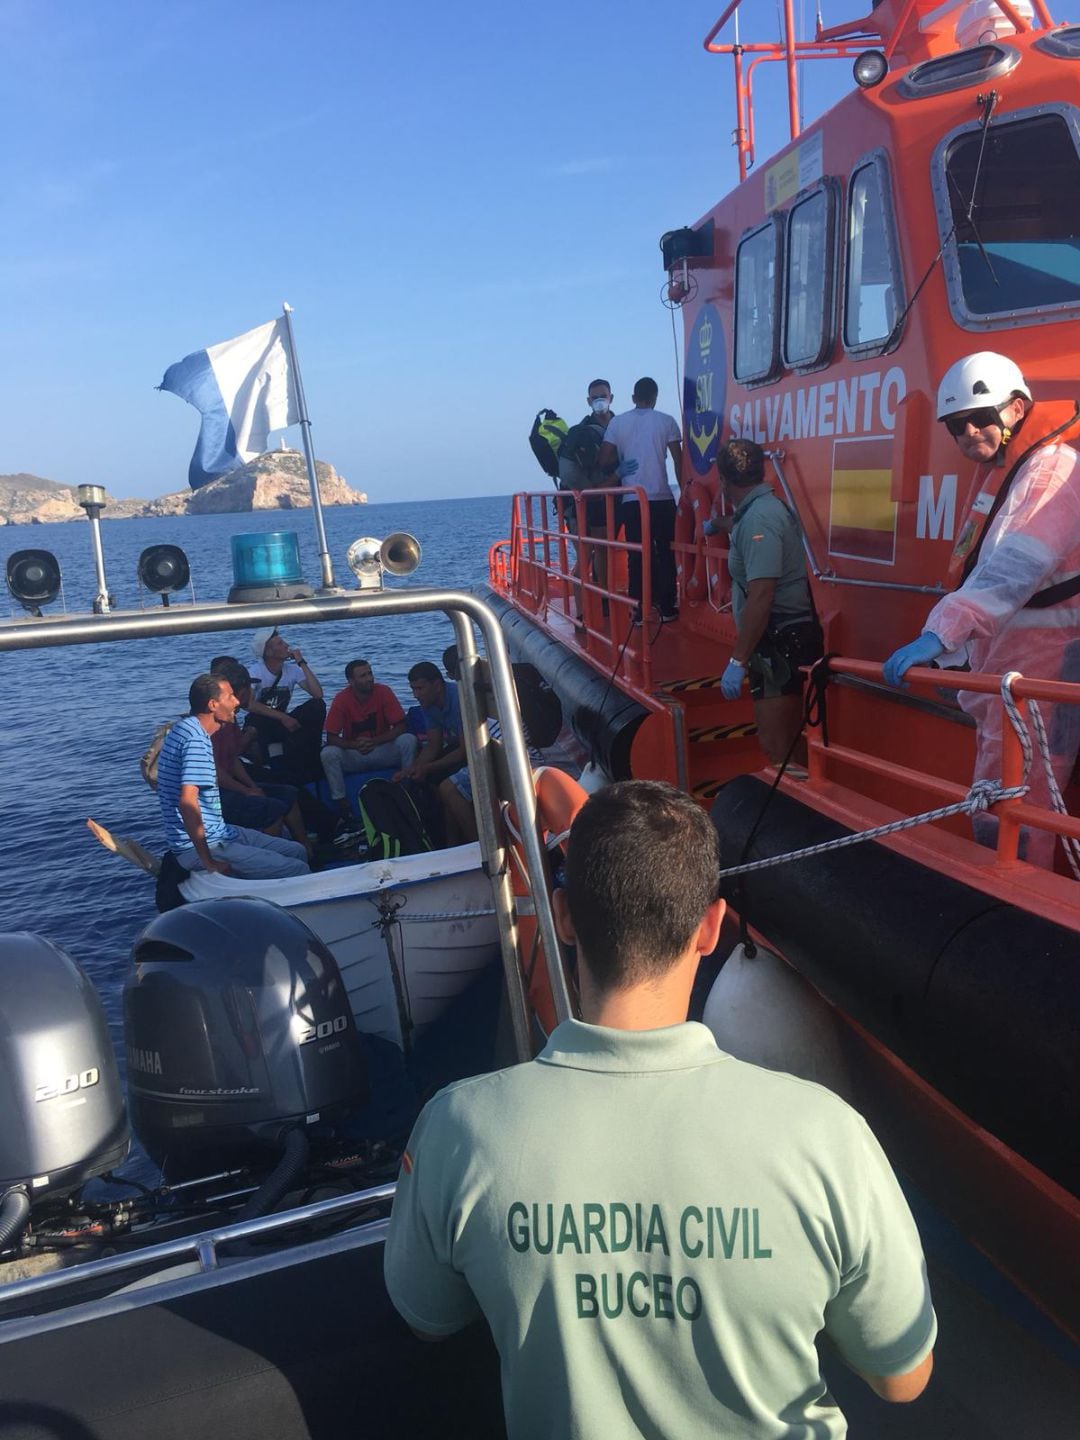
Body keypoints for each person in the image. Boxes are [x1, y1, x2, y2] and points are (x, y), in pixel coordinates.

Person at [384, 781, 936, 1438]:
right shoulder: (827, 1136)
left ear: (562, 916)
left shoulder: (458, 1127)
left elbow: (427, 1317)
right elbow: (901, 1376)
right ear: (709, 929)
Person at [883, 351, 1080, 869]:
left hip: (1045, 667)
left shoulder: (1052, 470)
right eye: (956, 426)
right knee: (1005, 787)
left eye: (980, 418)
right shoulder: (1007, 468)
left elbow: (1014, 569)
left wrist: (943, 635)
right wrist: (957, 657)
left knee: (1023, 794)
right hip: (1010, 661)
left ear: (1015, 409)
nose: (969, 432)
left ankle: (1016, 898)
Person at [712, 438, 822, 766]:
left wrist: (738, 660)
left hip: (779, 641)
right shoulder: (764, 509)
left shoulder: (759, 519)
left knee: (778, 745)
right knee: (787, 742)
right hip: (781, 636)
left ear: (723, 480)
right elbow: (744, 526)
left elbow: (762, 594)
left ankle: (800, 810)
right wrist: (718, 525)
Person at [157, 673, 310, 879]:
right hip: (203, 847)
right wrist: (208, 862)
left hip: (220, 832)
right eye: (230, 697)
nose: (237, 701)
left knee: (297, 851)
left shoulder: (184, 729)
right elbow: (187, 803)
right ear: (213, 705)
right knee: (297, 868)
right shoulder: (195, 742)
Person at [209, 659, 315, 861]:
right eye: (248, 687)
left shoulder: (231, 719)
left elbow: (233, 760)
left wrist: (250, 785)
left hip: (232, 784)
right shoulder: (214, 723)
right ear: (239, 691)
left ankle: (306, 851)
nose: (252, 691)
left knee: (289, 794)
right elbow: (216, 772)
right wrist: (246, 790)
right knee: (271, 809)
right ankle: (272, 861)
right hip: (215, 795)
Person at [598, 376, 683, 623]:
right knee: (666, 553)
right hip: (662, 497)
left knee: (637, 555)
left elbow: (603, 459)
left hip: (632, 499)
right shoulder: (667, 421)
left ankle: (638, 611)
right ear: (655, 397)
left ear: (633, 398)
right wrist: (685, 491)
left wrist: (620, 467)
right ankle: (667, 607)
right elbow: (678, 460)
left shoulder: (618, 423)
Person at [558, 379, 636, 607]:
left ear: (611, 397)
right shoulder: (582, 433)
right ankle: (584, 612)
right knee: (587, 554)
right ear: (588, 401)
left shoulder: (621, 425)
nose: (600, 401)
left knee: (603, 551)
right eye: (595, 398)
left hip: (615, 498)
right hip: (588, 501)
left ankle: (604, 599)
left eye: (603, 396)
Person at [320, 659, 419, 814]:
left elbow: (401, 726)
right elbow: (331, 737)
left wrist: (375, 741)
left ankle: (409, 788)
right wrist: (355, 745)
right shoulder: (342, 699)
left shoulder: (384, 691)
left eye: (370, 673)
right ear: (351, 681)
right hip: (356, 753)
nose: (369, 678)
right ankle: (342, 803)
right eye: (363, 676)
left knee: (408, 740)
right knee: (328, 753)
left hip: (381, 749)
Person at [245, 627, 326, 782]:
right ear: (268, 652)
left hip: (281, 722)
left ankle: (313, 751)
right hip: (263, 721)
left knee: (317, 706)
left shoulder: (292, 670)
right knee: (260, 724)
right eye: (280, 643)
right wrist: (282, 717)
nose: (287, 645)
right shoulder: (255, 672)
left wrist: (301, 662)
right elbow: (248, 704)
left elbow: (318, 694)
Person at [400, 660, 466, 785]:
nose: (415, 695)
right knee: (424, 779)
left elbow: (465, 751)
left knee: (441, 780)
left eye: (420, 689)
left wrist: (427, 767)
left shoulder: (458, 699)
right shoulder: (428, 704)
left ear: (437, 686)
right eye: (413, 689)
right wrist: (412, 769)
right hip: (460, 745)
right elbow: (433, 745)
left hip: (479, 748)